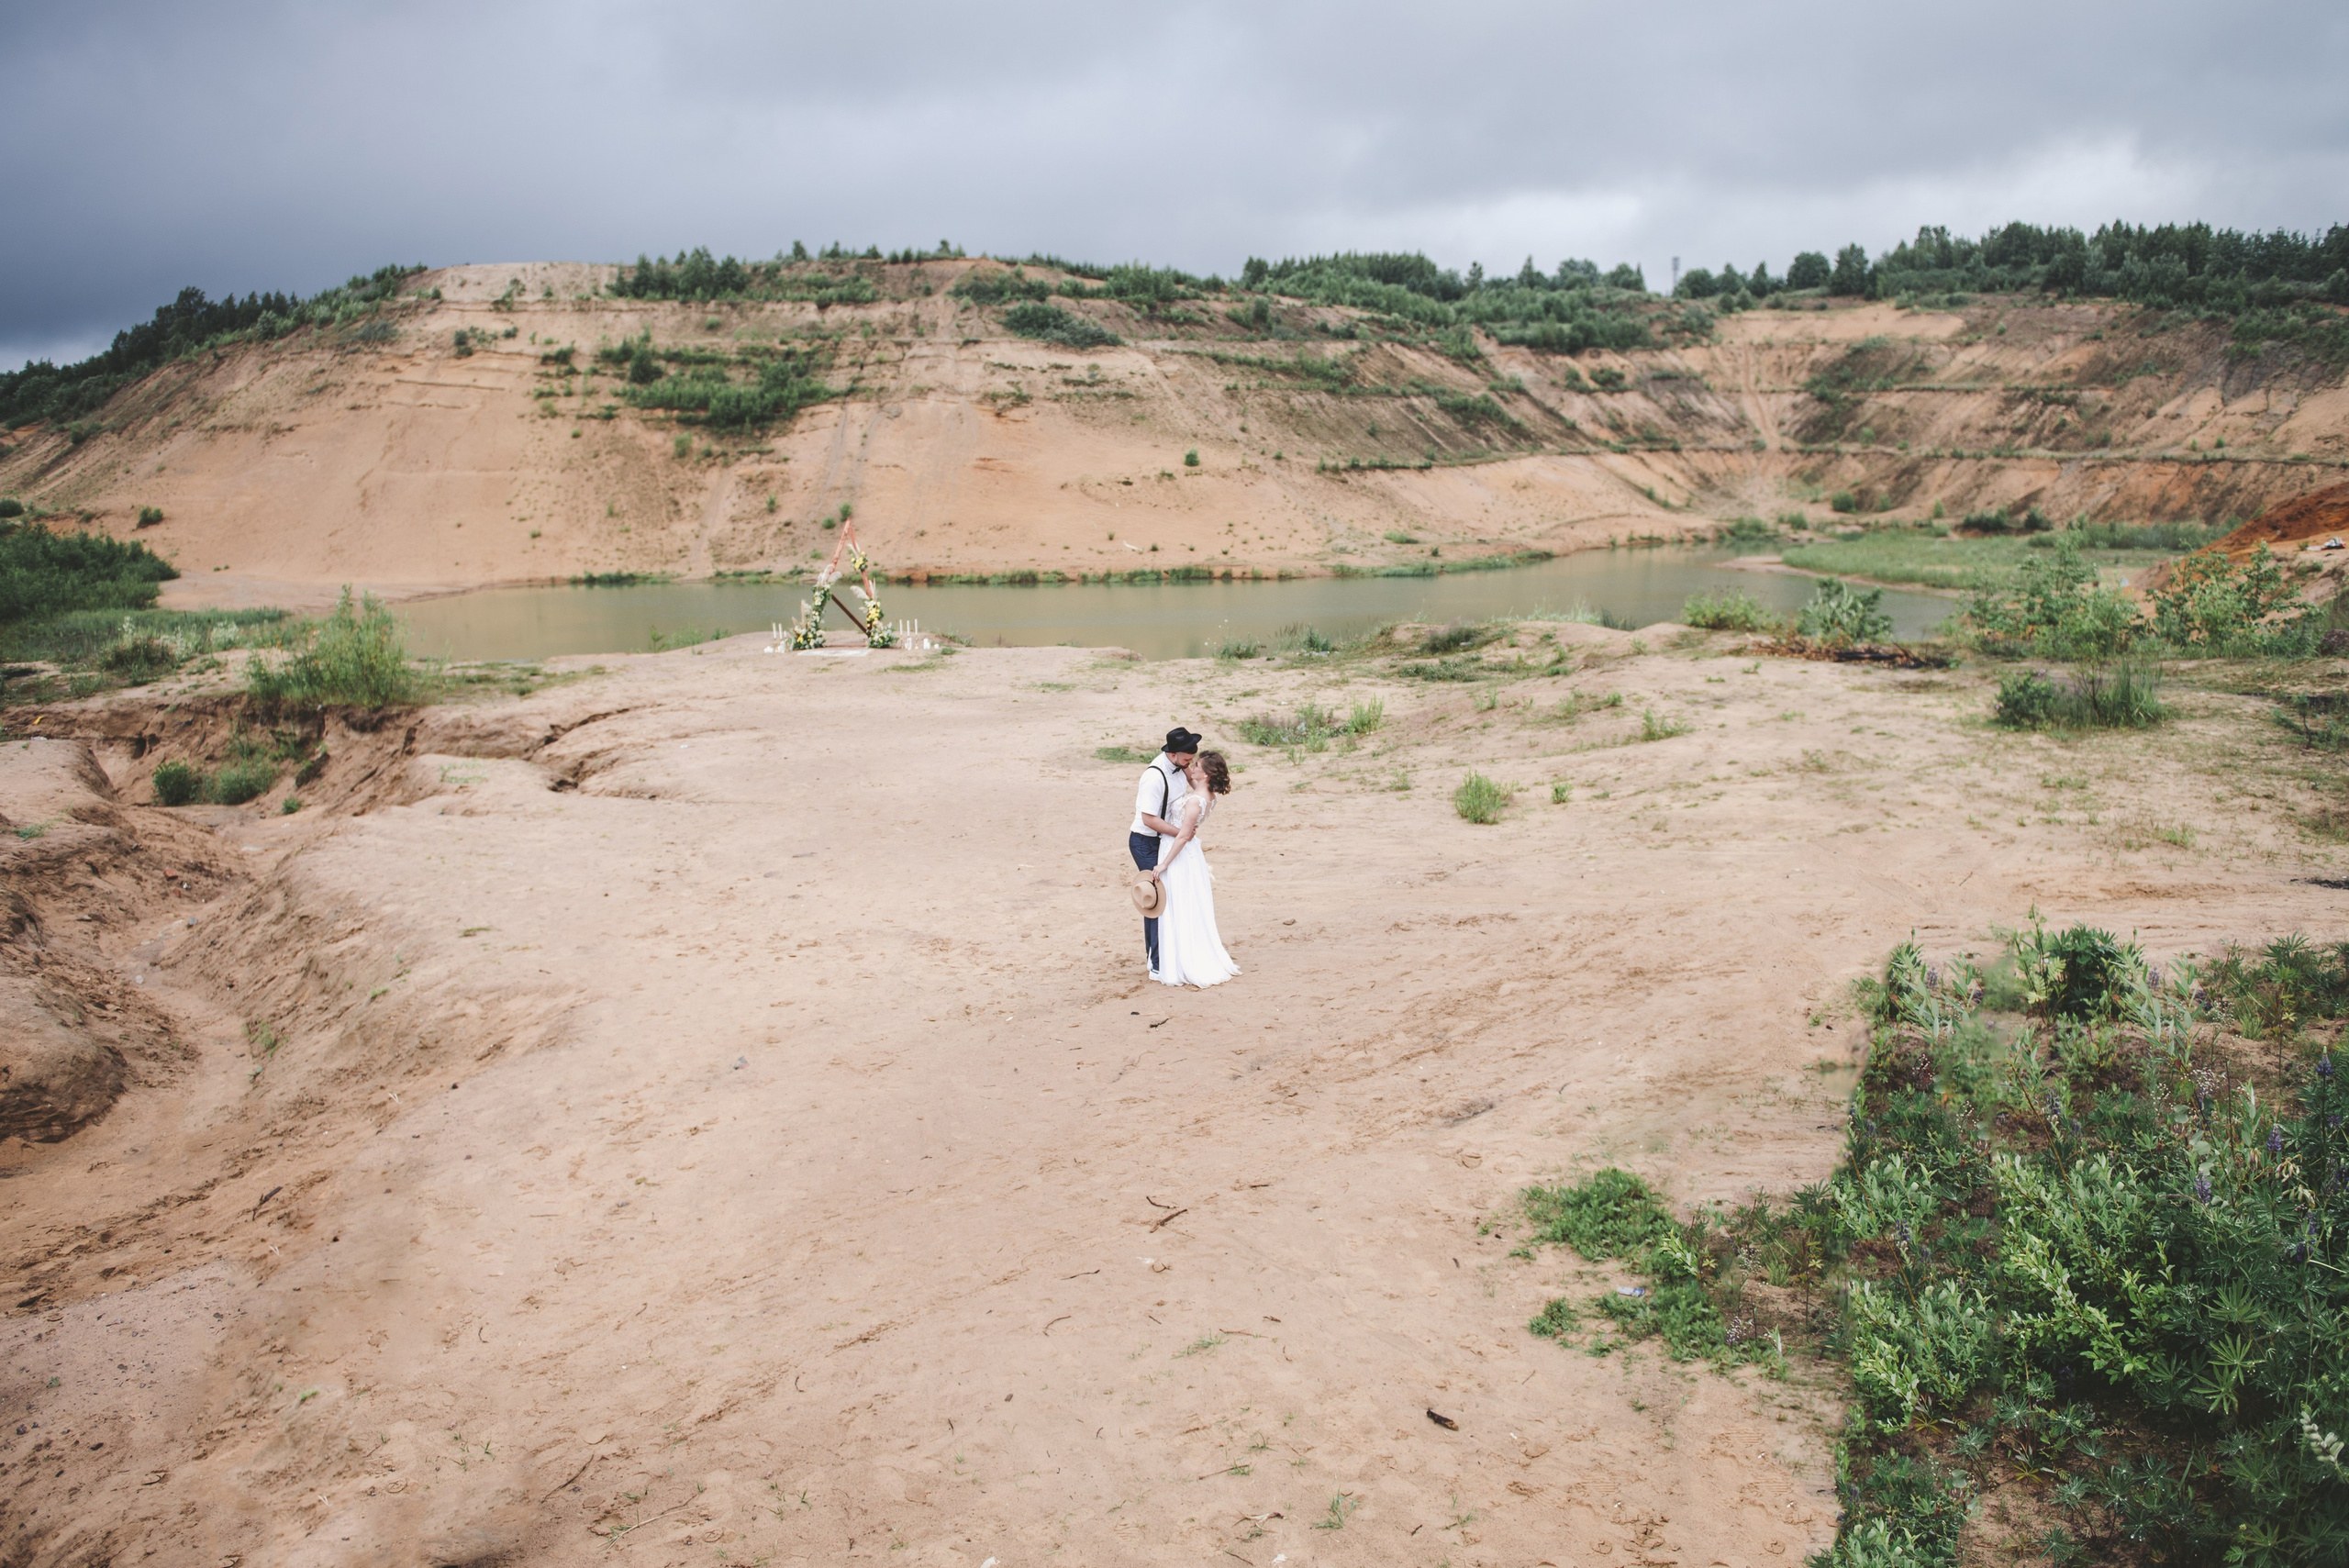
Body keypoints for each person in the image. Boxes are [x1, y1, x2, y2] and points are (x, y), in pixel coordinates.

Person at [1144, 751, 1239, 988]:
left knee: (1177, 904)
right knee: (1187, 903)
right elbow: (1190, 778)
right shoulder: (1208, 794)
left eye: (1196, 765)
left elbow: (1184, 836)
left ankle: (1179, 960)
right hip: (1191, 855)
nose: (1192, 768)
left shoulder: (1196, 802)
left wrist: (1164, 863)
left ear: (1206, 774)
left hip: (1179, 855)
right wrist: (1179, 760)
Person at [1129, 728, 1199, 975]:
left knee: (1173, 895)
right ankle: (1156, 962)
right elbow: (1148, 819)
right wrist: (1180, 832)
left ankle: (1169, 955)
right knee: (1157, 898)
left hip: (1166, 840)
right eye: (1187, 760)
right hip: (1145, 842)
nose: (1190, 765)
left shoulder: (1181, 763)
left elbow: (1194, 782)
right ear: (1172, 755)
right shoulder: (1154, 778)